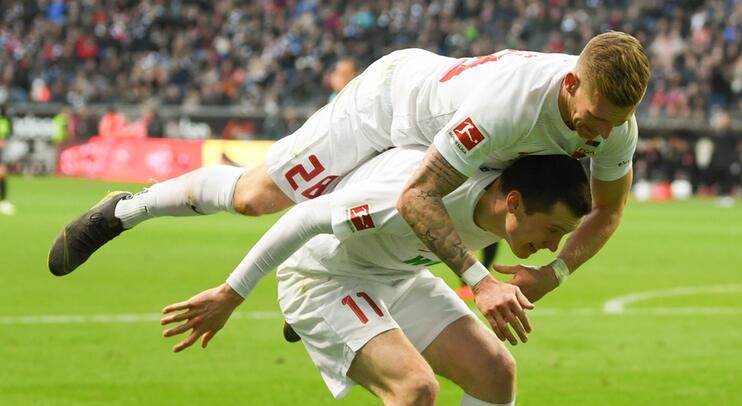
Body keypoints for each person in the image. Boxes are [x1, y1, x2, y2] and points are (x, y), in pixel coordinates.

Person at [48, 31, 650, 345]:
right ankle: (128, 208)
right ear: (571, 83)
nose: (599, 135)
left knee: (477, 216)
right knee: (259, 197)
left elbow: (606, 211)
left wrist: (557, 272)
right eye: (594, 117)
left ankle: (330, 301)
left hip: (451, 152)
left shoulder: (614, 128)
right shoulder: (507, 107)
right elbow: (419, 196)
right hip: (388, 106)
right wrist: (481, 282)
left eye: (613, 123)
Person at [159, 148, 592, 406]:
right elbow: (306, 217)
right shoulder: (411, 194)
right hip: (325, 279)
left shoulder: (499, 184)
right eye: (552, 229)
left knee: (496, 373)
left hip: (397, 276)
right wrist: (231, 293)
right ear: (512, 201)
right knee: (415, 389)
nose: (553, 244)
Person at [0, 106, 13, 216]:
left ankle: (3, 201)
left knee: (2, 173)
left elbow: (7, 136)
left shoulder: (5, 121)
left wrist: (4, 142)